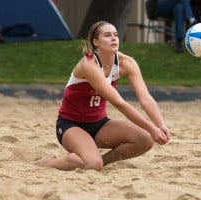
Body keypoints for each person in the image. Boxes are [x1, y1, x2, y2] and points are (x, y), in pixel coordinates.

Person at [32, 21, 171, 171]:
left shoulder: (127, 63)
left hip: (99, 125)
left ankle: (97, 161)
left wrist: (160, 125)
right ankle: (49, 162)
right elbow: (119, 103)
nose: (114, 38)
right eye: (107, 35)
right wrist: (151, 127)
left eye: (116, 35)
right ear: (96, 42)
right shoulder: (89, 64)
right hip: (71, 125)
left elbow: (145, 98)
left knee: (145, 140)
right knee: (93, 164)